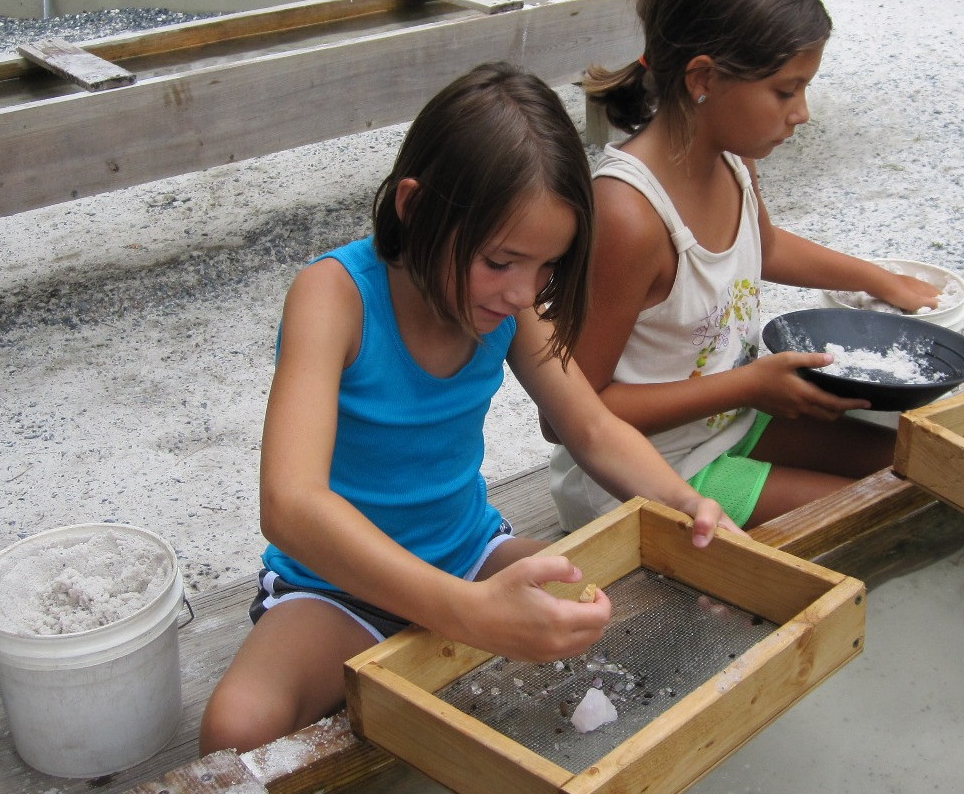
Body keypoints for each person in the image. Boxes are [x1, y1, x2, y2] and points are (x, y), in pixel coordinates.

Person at [198, 61, 733, 755]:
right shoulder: (334, 298)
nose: (523, 291)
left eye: (547, 268)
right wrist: (467, 613)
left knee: (632, 609)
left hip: (472, 554)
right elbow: (291, 504)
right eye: (502, 261)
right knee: (234, 730)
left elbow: (592, 426)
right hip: (340, 589)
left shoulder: (510, 307)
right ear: (415, 208)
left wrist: (679, 500)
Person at [548, 0, 941, 535]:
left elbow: (769, 246)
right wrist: (750, 384)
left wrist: (880, 280)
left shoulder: (731, 159)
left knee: (922, 468)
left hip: (731, 420)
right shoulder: (628, 215)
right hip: (650, 476)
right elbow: (577, 412)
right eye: (786, 90)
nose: (802, 112)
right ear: (703, 77)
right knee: (887, 518)